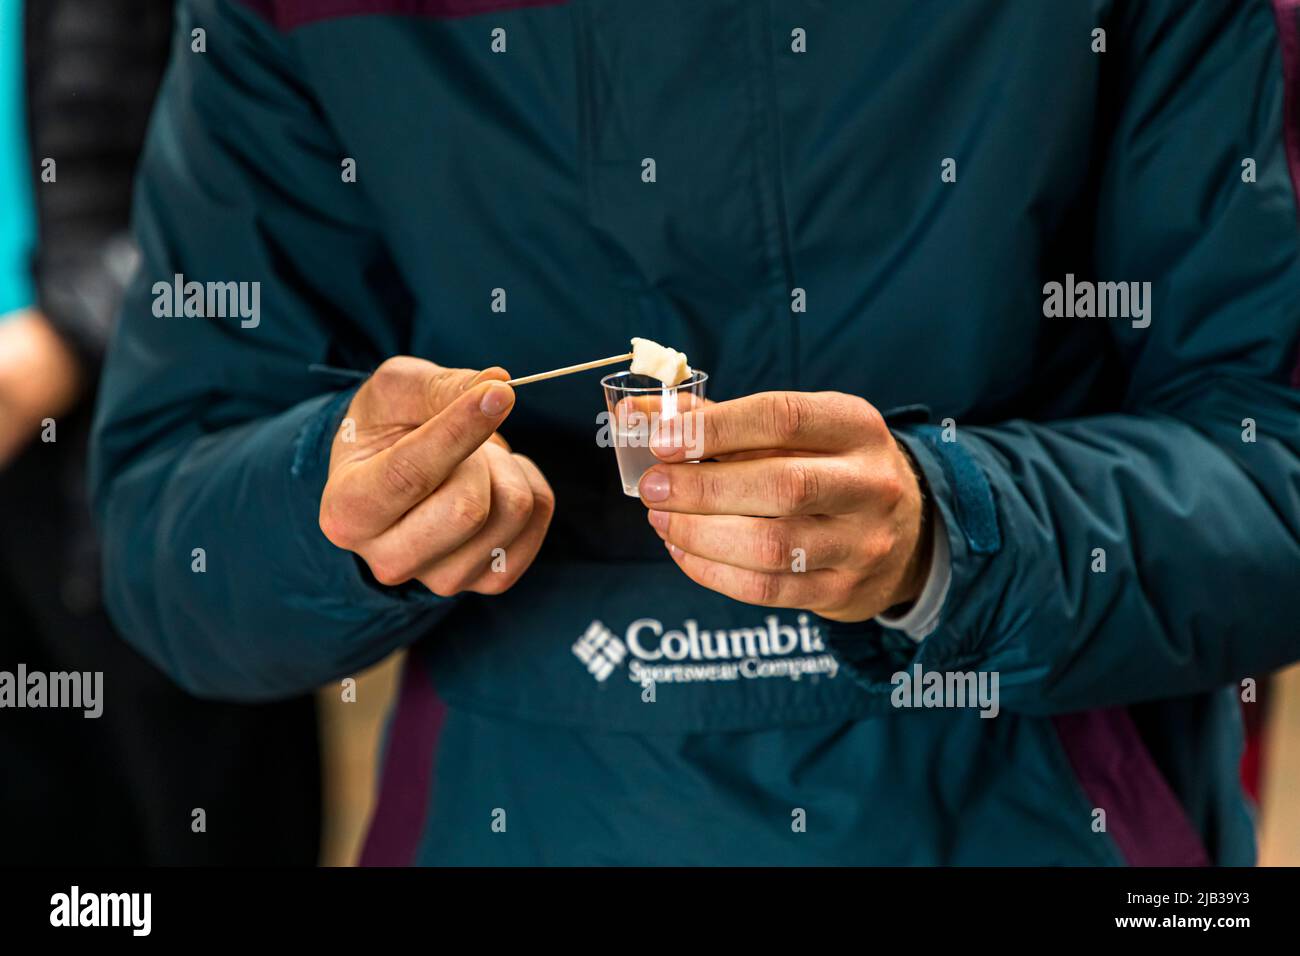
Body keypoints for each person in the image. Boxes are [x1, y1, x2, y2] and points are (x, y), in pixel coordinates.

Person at [92, 0, 1300, 865]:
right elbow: (164, 522)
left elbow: (1271, 470)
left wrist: (956, 531)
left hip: (1042, 808)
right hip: (515, 807)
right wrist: (334, 513)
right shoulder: (294, 20)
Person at [0, 0, 320, 865]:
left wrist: (62, 337)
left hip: (144, 460)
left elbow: (276, 191)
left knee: (198, 815)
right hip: (23, 479)